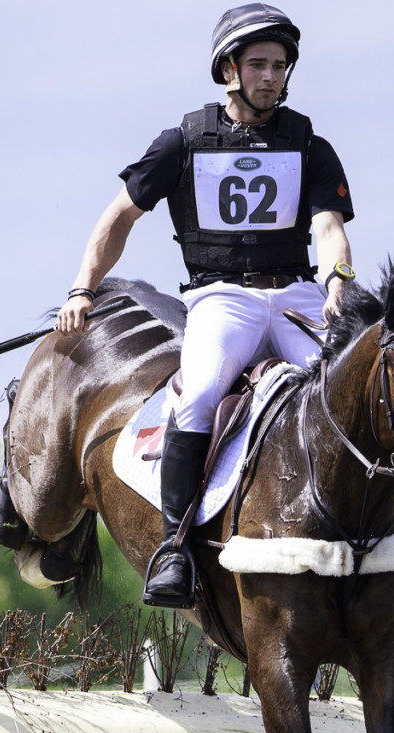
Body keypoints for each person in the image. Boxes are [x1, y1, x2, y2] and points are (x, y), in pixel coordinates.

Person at [57, 4, 356, 608]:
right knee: (198, 395)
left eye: (279, 65)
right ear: (229, 70)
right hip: (223, 297)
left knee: (354, 387)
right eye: (259, 65)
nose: (271, 76)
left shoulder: (310, 145)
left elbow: (327, 226)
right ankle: (174, 550)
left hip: (296, 293)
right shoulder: (183, 141)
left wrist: (336, 282)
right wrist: (83, 286)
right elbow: (118, 218)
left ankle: (382, 545)